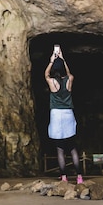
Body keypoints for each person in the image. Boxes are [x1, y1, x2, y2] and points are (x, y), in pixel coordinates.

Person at [44, 46, 83, 184]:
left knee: (60, 149)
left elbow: (46, 75)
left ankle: (64, 178)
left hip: (56, 115)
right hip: (68, 114)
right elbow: (69, 73)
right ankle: (79, 177)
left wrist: (51, 61)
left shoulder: (52, 82)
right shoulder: (69, 79)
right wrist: (63, 59)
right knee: (72, 147)